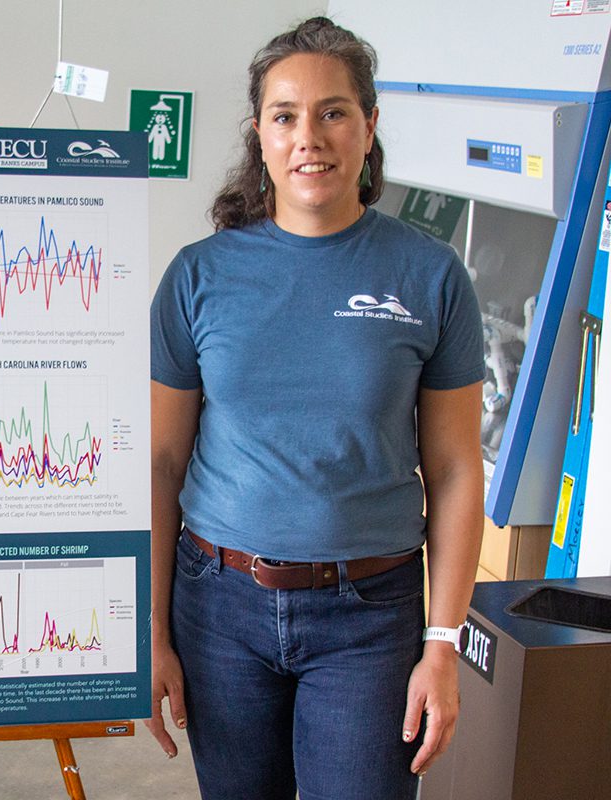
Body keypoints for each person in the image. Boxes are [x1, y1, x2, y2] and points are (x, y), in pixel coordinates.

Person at [147, 17, 484, 800]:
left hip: (370, 617)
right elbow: (164, 463)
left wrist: (443, 641)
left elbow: (457, 468)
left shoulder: (429, 277)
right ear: (260, 136)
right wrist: (152, 628)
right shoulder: (199, 277)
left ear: (369, 127)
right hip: (218, 605)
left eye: (334, 112)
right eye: (286, 116)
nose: (311, 137)